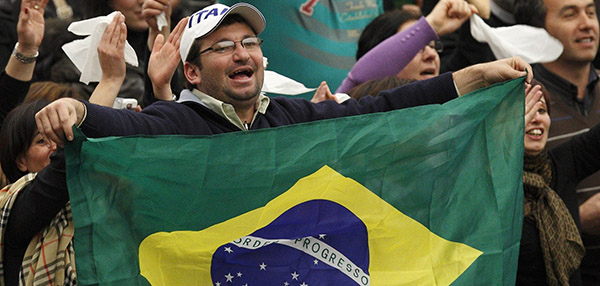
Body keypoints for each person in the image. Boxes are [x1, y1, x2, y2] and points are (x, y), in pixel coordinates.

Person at [34, 2, 531, 148]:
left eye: (250, 43)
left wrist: (473, 77)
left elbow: (380, 106)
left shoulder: (290, 116)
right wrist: (77, 110)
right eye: (224, 47)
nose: (242, 53)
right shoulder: (177, 122)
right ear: (192, 70)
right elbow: (125, 128)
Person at [513, 0, 600, 283]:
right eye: (570, 14)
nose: (587, 23)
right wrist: (578, 217)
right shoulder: (492, 183)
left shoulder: (560, 164)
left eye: (591, 12)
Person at [336, 0, 477, 93]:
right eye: (416, 47)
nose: (431, 55)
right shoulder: (345, 114)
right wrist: (431, 25)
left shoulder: (449, 122)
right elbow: (359, 79)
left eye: (433, 46)